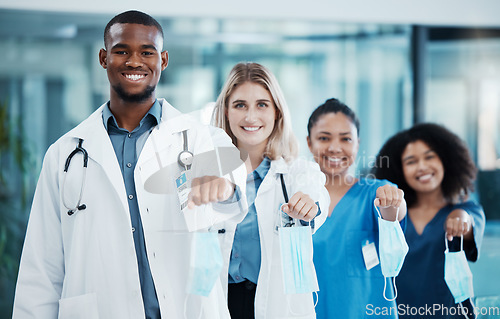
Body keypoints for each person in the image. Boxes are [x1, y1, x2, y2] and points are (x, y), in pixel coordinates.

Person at [12, 10, 248, 319]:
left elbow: (230, 175)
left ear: (163, 60)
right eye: (121, 50)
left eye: (146, 52)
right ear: (103, 57)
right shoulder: (64, 155)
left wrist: (222, 184)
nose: (134, 61)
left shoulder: (199, 138)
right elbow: (41, 267)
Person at [212, 62, 330, 319]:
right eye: (240, 105)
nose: (250, 117)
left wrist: (309, 205)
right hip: (219, 302)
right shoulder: (207, 173)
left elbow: (317, 197)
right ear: (226, 111)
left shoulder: (297, 173)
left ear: (277, 112)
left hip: (276, 304)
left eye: (262, 105)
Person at [306, 98, 407, 319]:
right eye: (324, 138)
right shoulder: (298, 202)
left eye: (346, 139)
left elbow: (395, 211)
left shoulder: (376, 193)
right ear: (309, 142)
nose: (334, 147)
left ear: (357, 144)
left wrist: (392, 202)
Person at [372, 123, 485, 319]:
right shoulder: (392, 216)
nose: (422, 166)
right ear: (399, 170)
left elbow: (467, 223)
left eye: (430, 157)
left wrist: (459, 219)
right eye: (411, 161)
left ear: (446, 161)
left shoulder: (467, 210)